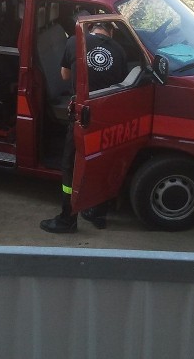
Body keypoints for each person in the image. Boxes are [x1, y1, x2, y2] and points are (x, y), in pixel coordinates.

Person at [40, 12, 128, 234]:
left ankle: (67, 218)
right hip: (106, 119)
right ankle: (98, 213)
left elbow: (63, 75)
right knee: (101, 164)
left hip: (81, 117)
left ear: (90, 29)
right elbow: (122, 85)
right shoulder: (119, 51)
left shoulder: (74, 42)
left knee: (71, 166)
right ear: (111, 31)